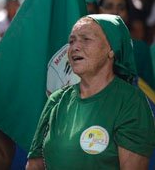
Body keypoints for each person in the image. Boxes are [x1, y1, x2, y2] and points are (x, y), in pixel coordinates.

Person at [27, 15, 155, 169]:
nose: (74, 47)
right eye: (71, 41)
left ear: (111, 49)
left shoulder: (130, 101)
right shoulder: (57, 99)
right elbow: (34, 165)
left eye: (86, 39)